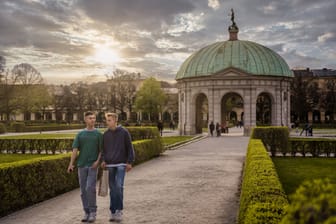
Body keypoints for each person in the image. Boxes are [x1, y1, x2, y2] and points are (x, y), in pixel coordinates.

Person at [67, 111, 102, 223]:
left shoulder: (98, 134)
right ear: (85, 120)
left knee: (90, 188)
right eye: (90, 118)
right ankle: (86, 212)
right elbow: (75, 150)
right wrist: (71, 164)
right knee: (83, 191)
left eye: (94, 118)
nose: (93, 120)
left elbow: (101, 150)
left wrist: (97, 161)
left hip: (93, 166)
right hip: (81, 165)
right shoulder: (80, 134)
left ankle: (93, 212)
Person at [101, 112, 135, 222]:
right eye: (107, 120)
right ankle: (113, 211)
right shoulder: (105, 134)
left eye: (109, 120)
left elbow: (130, 147)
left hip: (121, 164)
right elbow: (103, 150)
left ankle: (119, 210)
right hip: (110, 164)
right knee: (113, 189)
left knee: (119, 186)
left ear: (115, 121)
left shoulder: (124, 132)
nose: (107, 122)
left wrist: (129, 162)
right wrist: (103, 160)